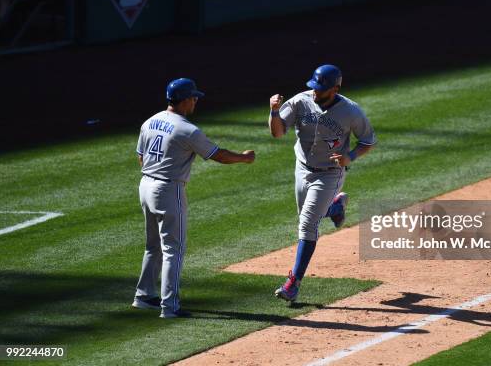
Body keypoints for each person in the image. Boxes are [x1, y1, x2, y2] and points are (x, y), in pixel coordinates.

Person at [133, 78, 255, 318]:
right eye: (194, 97)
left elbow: (140, 157)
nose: (196, 101)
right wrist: (243, 157)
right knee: (173, 249)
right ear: (185, 100)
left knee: (153, 245)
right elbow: (217, 155)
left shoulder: (150, 121)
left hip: (145, 186)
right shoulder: (187, 129)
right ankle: (170, 307)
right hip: (168, 190)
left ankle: (144, 296)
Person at [269, 64, 376, 302]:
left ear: (336, 88)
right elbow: (277, 133)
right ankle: (335, 208)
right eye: (314, 87)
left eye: (322, 89)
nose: (316, 92)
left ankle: (293, 283)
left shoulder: (351, 112)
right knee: (307, 217)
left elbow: (368, 141)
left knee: (307, 224)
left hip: (330, 173)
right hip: (302, 168)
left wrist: (351, 156)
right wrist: (274, 112)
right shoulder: (300, 102)